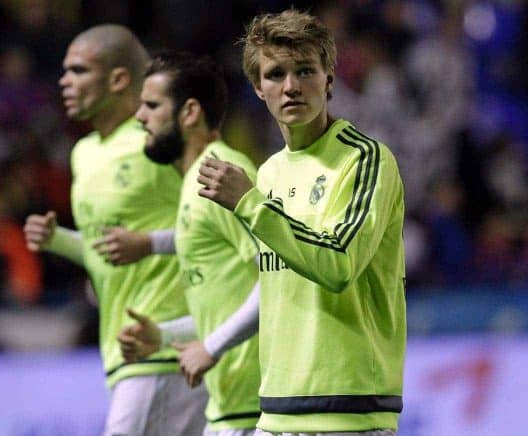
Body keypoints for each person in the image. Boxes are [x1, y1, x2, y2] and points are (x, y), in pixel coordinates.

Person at [197, 10, 407, 436]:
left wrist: (250, 204)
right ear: (258, 88)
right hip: (276, 411)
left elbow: (337, 265)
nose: (291, 86)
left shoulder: (365, 160)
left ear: (329, 80)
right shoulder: (270, 171)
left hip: (349, 412)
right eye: (275, 74)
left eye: (305, 70)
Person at [22, 25, 207, 436]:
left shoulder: (161, 143)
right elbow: (105, 251)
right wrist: (58, 241)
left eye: (78, 70)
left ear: (119, 79)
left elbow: (219, 232)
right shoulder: (83, 153)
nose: (63, 81)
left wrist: (152, 244)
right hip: (121, 351)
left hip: (168, 344)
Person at [118, 51, 262, 436]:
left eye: (151, 105)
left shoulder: (222, 176)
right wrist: (163, 337)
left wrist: (211, 347)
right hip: (230, 406)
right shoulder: (194, 183)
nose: (139, 117)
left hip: (258, 407)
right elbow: (224, 303)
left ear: (189, 112)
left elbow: (279, 280)